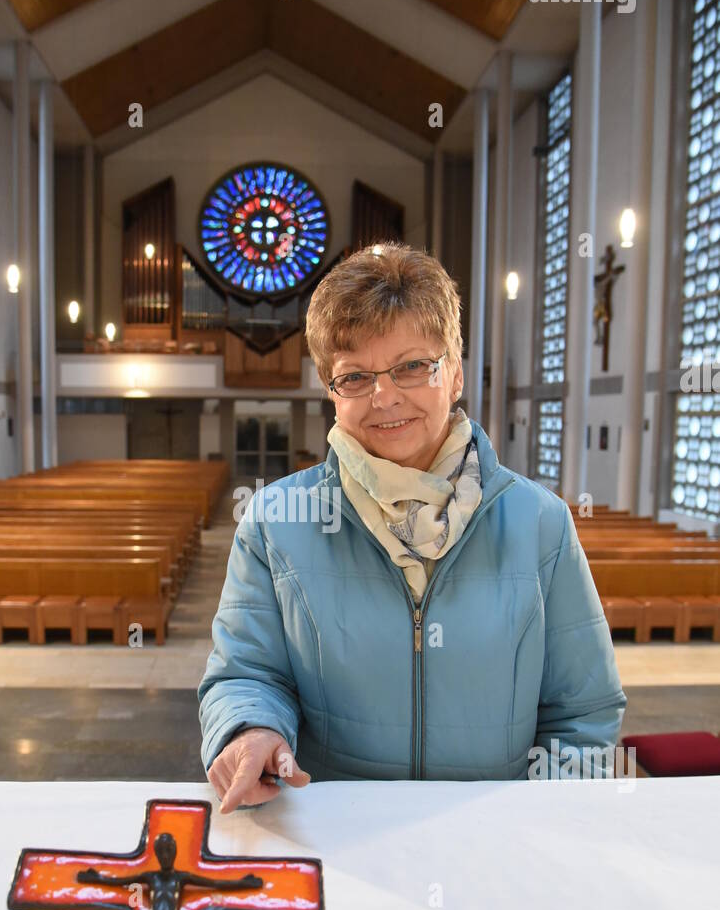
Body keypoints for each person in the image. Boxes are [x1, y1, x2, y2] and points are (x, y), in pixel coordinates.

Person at [198, 243, 626, 813]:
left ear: (454, 375)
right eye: (354, 376)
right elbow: (246, 674)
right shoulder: (276, 522)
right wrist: (250, 731)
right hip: (336, 833)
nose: (384, 395)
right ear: (331, 392)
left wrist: (540, 824)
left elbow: (582, 713)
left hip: (493, 840)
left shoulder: (539, 523)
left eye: (412, 365)